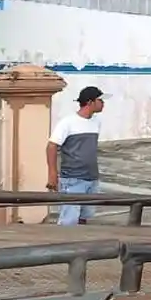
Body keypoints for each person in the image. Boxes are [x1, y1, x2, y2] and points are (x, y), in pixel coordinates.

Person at [46, 86, 106, 226]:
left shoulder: (96, 122)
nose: (103, 103)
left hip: (91, 177)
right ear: (90, 102)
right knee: (69, 219)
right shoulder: (68, 122)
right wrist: (53, 173)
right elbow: (52, 146)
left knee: (85, 215)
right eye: (100, 100)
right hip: (73, 178)